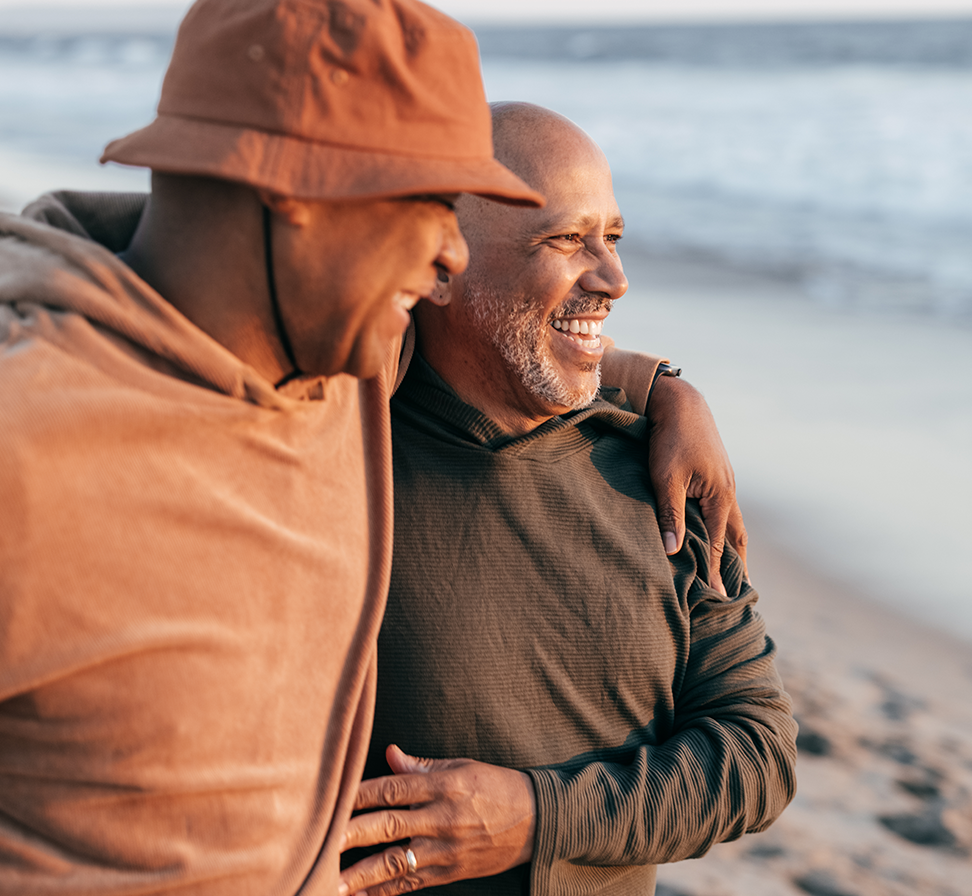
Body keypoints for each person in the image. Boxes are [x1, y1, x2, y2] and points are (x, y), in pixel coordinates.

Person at [0, 4, 741, 895]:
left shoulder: (345, 363)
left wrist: (658, 386)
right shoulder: (19, 447)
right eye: (429, 203)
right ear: (297, 196)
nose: (452, 256)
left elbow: (508, 336)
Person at [339, 103, 797, 896]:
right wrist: (651, 377)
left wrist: (538, 817)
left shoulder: (660, 477)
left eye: (612, 238)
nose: (614, 278)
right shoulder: (334, 460)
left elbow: (758, 752)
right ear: (439, 263)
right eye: (565, 239)